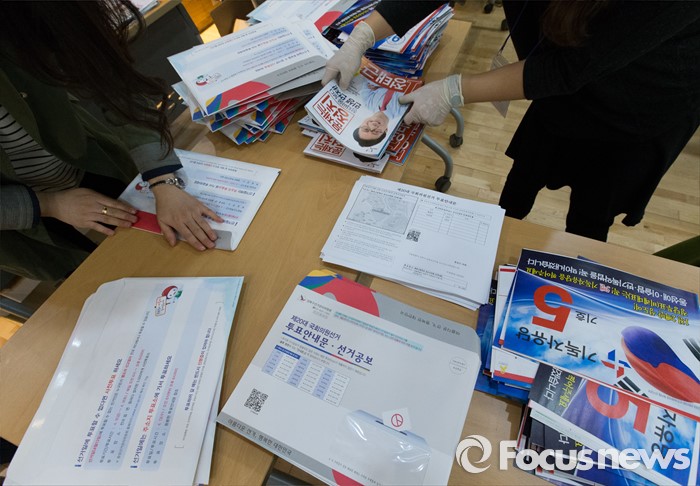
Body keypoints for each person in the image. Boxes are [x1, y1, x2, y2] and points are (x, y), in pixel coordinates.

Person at [323, 1, 700, 242]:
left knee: (590, 216)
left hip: (638, 105)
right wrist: (363, 36)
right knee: (523, 177)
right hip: (555, 81)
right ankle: (498, 233)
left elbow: (568, 69)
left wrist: (454, 90)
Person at [0, 0, 223, 282]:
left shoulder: (40, 17)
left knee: (161, 253)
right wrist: (49, 204)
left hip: (82, 160)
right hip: (16, 217)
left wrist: (162, 179)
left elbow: (116, 88)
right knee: (88, 279)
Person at [352, 78, 403, 147]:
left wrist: (379, 83)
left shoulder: (367, 101)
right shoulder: (402, 111)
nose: (373, 126)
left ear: (361, 124)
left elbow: (368, 78)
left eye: (366, 129)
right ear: (386, 130)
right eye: (376, 132)